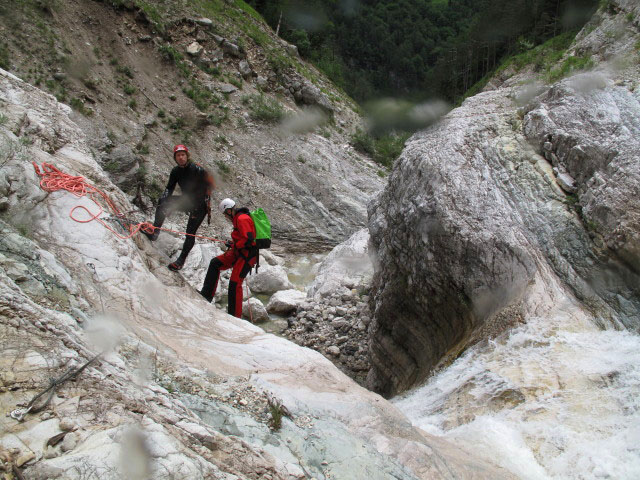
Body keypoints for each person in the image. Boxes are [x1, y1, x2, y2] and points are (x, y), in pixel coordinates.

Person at [143, 144, 215, 271]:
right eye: (178, 155)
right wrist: (164, 201)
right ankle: (155, 232)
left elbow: (209, 185)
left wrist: (201, 202)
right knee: (163, 202)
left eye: (183, 155)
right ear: (175, 158)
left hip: (200, 204)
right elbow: (169, 188)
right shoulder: (175, 171)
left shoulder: (197, 169)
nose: (181, 158)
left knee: (190, 232)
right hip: (187, 200)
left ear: (187, 156)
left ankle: (180, 261)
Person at [200, 198, 258, 318]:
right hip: (239, 251)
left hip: (247, 255)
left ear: (229, 211)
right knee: (215, 263)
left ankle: (234, 317)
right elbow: (244, 237)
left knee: (235, 284)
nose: (225, 217)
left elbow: (249, 239)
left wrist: (234, 245)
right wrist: (233, 243)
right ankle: (206, 295)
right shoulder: (238, 218)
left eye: (225, 214)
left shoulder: (242, 219)